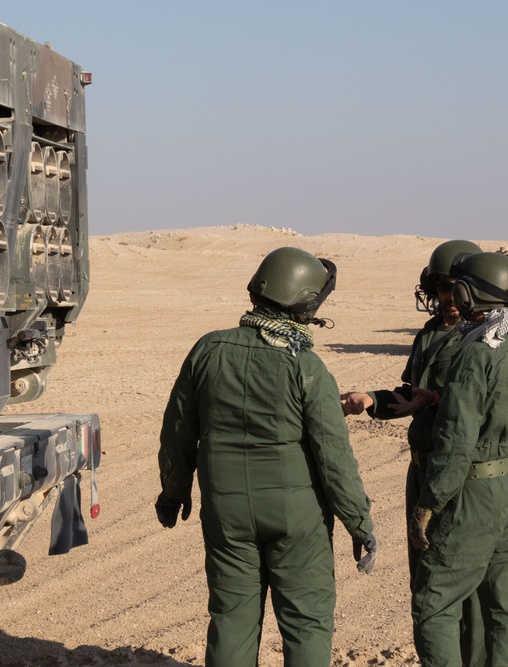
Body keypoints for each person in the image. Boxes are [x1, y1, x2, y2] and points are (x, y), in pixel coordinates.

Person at [156, 246, 377, 667]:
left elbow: (178, 432)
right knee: (306, 623)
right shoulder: (306, 365)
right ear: (304, 303)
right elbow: (334, 456)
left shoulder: (207, 349)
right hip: (298, 518)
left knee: (231, 620)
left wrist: (173, 493)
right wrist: (359, 523)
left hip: (226, 511)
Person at [340, 239, 487, 666]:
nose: (448, 296)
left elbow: (481, 404)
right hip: (420, 471)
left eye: (455, 286)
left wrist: (438, 399)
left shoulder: (480, 338)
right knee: (424, 582)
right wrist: (371, 399)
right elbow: (410, 395)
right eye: (441, 286)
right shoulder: (428, 334)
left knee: (464, 588)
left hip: (457, 475)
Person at [408, 251, 508, 667]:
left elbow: (455, 441)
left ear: (469, 295)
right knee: (506, 604)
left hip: (473, 491)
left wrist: (429, 503)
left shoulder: (475, 355)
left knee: (434, 602)